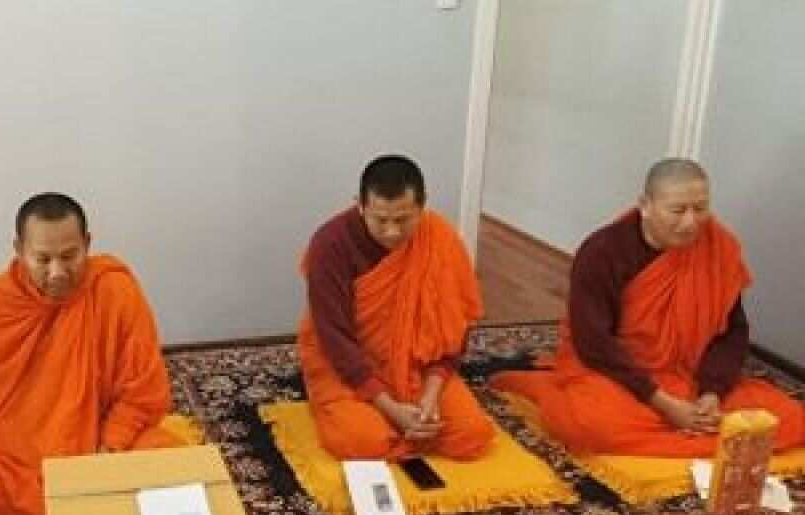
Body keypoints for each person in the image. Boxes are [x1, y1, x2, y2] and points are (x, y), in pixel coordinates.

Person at [497, 158, 804, 456]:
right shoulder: (603, 252)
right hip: (618, 375)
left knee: (788, 418)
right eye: (678, 210)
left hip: (687, 374)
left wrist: (712, 393)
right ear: (645, 206)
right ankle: (549, 390)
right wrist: (664, 404)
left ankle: (690, 426)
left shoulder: (718, 247)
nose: (691, 222)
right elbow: (593, 343)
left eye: (700, 208)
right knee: (587, 424)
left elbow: (732, 330)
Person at [0, 193, 185, 515]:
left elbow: (143, 389)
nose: (57, 272)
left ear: (87, 244)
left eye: (70, 256)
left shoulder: (114, 290)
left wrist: (109, 447)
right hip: (20, 461)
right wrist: (50, 462)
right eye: (42, 259)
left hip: (101, 444)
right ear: (19, 250)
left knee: (174, 466)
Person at [298, 155, 494, 461]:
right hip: (348, 366)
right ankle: (354, 410)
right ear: (360, 206)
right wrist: (389, 407)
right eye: (381, 220)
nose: (392, 232)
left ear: (422, 205)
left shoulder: (439, 238)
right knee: (365, 443)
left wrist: (431, 394)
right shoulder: (330, 244)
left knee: (472, 436)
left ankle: (408, 417)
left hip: (417, 366)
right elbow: (334, 337)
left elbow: (454, 328)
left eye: (403, 220)